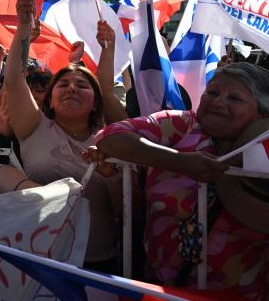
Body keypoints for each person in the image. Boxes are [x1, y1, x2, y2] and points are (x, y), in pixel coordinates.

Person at [92, 62, 269, 298]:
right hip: (160, 290)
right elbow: (109, 136)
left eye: (234, 98)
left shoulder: (265, 146)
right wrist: (180, 162)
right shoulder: (182, 125)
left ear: (262, 113)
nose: (218, 102)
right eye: (213, 93)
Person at [3, 0, 126, 273]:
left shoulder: (111, 138)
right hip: (38, 257)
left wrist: (109, 49)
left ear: (96, 101)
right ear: (50, 98)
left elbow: (130, 207)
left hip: (98, 262)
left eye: (81, 85)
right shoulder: (33, 128)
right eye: (63, 84)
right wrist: (23, 29)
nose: (71, 88)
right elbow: (14, 78)